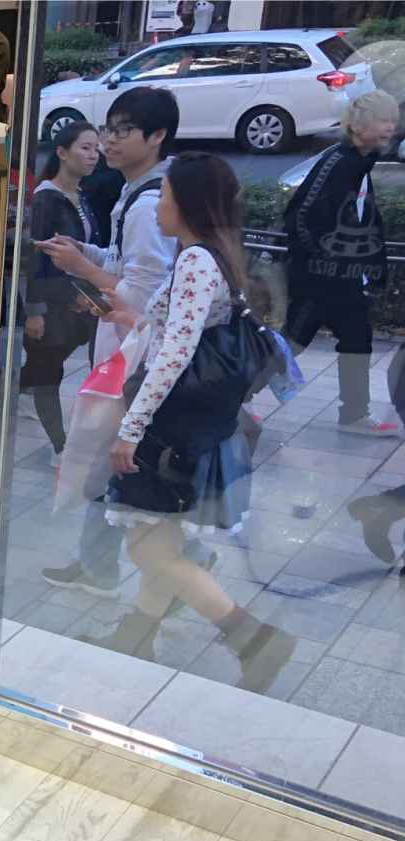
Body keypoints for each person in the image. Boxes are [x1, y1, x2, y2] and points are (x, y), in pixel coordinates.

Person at [98, 152, 296, 693]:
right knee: (159, 539)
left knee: (148, 547)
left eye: (164, 196)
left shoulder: (195, 262)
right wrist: (133, 320)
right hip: (192, 424)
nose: (158, 204)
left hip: (168, 426)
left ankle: (254, 639)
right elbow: (182, 332)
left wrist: (130, 430)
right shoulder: (215, 254)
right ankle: (135, 636)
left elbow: (174, 356)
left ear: (186, 203)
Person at [35, 86, 183, 595]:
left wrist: (84, 268)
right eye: (108, 130)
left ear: (157, 136)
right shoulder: (143, 191)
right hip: (129, 352)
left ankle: (173, 571)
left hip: (134, 356)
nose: (109, 141)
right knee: (109, 463)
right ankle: (102, 566)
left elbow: (143, 296)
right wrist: (91, 253)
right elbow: (134, 266)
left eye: (123, 131)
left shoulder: (147, 202)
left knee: (112, 461)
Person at [282, 89, 399, 436]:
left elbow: (365, 218)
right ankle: (235, 400)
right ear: (360, 125)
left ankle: (354, 416)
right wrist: (322, 259)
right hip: (318, 279)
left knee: (357, 339)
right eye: (383, 121)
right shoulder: (337, 162)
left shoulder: (362, 160)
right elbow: (299, 217)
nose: (391, 128)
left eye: (393, 120)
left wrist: (370, 266)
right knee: (292, 342)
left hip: (344, 278)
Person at [24, 122, 101, 465]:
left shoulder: (80, 196)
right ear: (61, 152)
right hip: (54, 301)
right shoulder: (46, 199)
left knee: (53, 364)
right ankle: (60, 447)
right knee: (47, 371)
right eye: (85, 147)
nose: (93, 155)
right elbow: (37, 257)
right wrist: (35, 309)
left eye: (95, 148)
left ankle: (18, 388)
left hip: (80, 299)